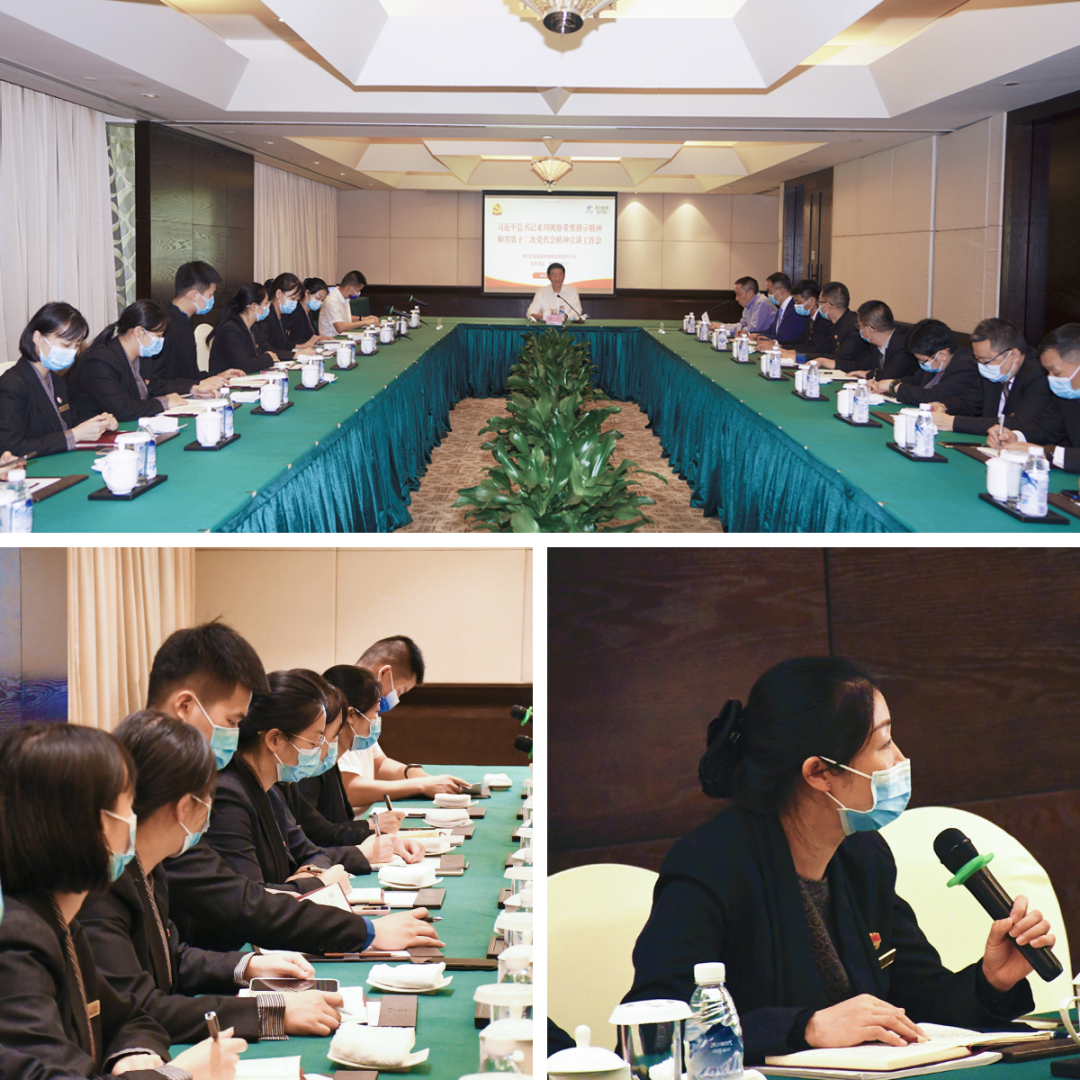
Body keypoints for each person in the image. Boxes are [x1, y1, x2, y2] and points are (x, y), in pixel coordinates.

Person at [623, 656, 1054, 1065]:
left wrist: (992, 979)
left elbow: (916, 1000)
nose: (900, 760)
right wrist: (805, 1028)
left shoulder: (863, 856)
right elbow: (655, 1031)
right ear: (818, 773)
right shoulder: (711, 865)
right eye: (883, 743)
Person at [148, 620, 444, 956]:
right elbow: (245, 902)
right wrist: (364, 929)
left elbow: (271, 877)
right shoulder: (188, 791)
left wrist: (304, 883)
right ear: (185, 707)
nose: (237, 732)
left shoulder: (233, 785)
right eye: (231, 722)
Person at [78, 710, 344, 1046]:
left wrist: (248, 965)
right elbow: (140, 1007)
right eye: (208, 797)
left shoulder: (150, 867)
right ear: (184, 807)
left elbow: (173, 959)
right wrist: (270, 1012)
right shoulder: (102, 888)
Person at [0, 722, 247, 1080]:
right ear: (93, 825)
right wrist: (177, 1074)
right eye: (129, 807)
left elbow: (131, 1018)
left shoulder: (58, 919)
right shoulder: (16, 942)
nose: (136, 820)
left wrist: (132, 1051)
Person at [203, 669, 390, 895]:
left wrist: (309, 873)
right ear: (274, 739)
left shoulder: (270, 789)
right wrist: (316, 882)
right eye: (315, 741)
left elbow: (313, 854)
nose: (321, 751)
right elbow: (251, 899)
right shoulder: (229, 795)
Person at [280, 669, 424, 861]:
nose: (323, 748)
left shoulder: (324, 763)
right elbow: (313, 840)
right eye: (317, 739)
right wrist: (367, 842)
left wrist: (387, 842)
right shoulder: (301, 770)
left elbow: (320, 833)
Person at [338, 636, 472, 814]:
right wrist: (420, 785)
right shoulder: (340, 708)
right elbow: (347, 790)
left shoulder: (363, 710)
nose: (396, 700)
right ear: (384, 673)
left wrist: (413, 773)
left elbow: (379, 764)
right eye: (399, 691)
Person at [0, 302, 117, 456]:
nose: (72, 352)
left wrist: (100, 422)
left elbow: (69, 421)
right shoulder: (12, 384)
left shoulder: (56, 380)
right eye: (66, 345)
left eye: (76, 345)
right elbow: (11, 447)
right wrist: (75, 435)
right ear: (38, 337)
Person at [66, 301, 194, 423]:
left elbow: (157, 386)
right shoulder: (99, 361)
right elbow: (122, 410)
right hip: (93, 431)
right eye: (158, 336)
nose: (161, 340)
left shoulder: (142, 357)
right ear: (138, 332)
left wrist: (193, 389)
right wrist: (164, 403)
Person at [933, 318, 1049, 437]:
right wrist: (943, 406)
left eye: (985, 360)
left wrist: (953, 423)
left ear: (1014, 355)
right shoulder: (995, 371)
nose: (981, 365)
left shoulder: (1039, 375)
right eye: (977, 359)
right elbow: (969, 402)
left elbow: (1019, 423)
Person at [989, 323, 1080, 470]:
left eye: (1056, 372)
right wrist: (1015, 437)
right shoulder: (1067, 393)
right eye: (1047, 371)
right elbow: (1044, 427)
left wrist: (1048, 453)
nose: (1050, 378)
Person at [156, 261, 243, 389]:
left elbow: (189, 374)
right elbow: (157, 383)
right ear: (194, 296)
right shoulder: (162, 326)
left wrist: (218, 376)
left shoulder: (184, 320)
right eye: (210, 295)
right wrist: (197, 385)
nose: (212, 300)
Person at [868, 318, 982, 415]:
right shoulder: (936, 361)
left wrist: (893, 386)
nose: (921, 364)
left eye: (923, 361)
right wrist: (882, 384)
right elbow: (916, 380)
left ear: (942, 355)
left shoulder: (966, 366)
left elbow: (931, 396)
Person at [207, 284, 279, 375]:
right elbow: (244, 365)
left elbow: (268, 349)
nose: (269, 306)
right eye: (266, 303)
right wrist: (268, 357)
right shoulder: (229, 330)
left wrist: (269, 355)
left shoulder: (252, 327)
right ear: (253, 306)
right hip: (227, 380)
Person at [800, 282, 874, 372]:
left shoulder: (855, 327)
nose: (818, 306)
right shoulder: (836, 323)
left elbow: (839, 357)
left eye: (819, 303)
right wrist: (796, 355)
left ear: (827, 306)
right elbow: (822, 349)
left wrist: (803, 357)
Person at [849, 301, 916, 382]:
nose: (859, 329)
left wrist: (868, 374)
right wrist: (836, 364)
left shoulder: (904, 346)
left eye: (859, 326)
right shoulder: (876, 343)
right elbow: (863, 365)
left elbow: (889, 376)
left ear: (869, 329)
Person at [760, 280, 833, 355]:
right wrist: (776, 343)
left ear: (811, 301)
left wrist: (781, 350)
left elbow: (814, 349)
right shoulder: (809, 319)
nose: (796, 305)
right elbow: (800, 342)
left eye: (798, 302)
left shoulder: (825, 321)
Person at [319, 272, 379, 337]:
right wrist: (364, 322)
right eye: (358, 290)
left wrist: (363, 319)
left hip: (343, 336)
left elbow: (343, 316)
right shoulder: (332, 301)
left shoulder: (344, 296)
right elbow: (340, 328)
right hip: (331, 339)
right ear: (350, 288)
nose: (359, 293)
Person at [280, 278, 332, 350]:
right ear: (307, 293)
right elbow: (290, 341)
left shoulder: (308, 312)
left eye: (323, 300)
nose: (320, 302)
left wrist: (320, 338)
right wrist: (309, 342)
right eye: (318, 298)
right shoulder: (295, 313)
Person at [760, 273, 805, 347]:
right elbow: (771, 331)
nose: (768, 294)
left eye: (770, 291)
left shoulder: (795, 309)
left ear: (781, 291)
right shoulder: (782, 308)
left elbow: (784, 338)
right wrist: (754, 335)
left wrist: (761, 337)